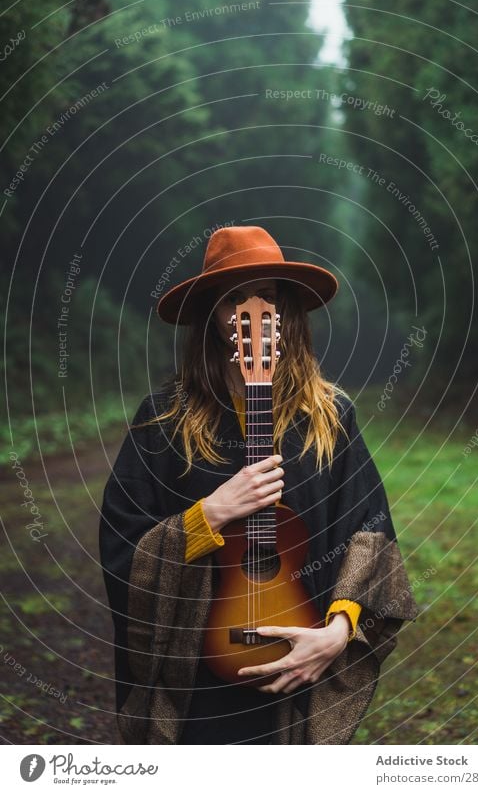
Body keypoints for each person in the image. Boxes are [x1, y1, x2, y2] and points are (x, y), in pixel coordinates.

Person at [99, 225, 419, 745]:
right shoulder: (162, 420)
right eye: (234, 299)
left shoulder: (330, 416)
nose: (254, 311)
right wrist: (208, 516)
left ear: (287, 311)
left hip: (302, 663)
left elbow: (372, 534)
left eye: (267, 296)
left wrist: (338, 634)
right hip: (197, 678)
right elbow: (122, 546)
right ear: (212, 317)